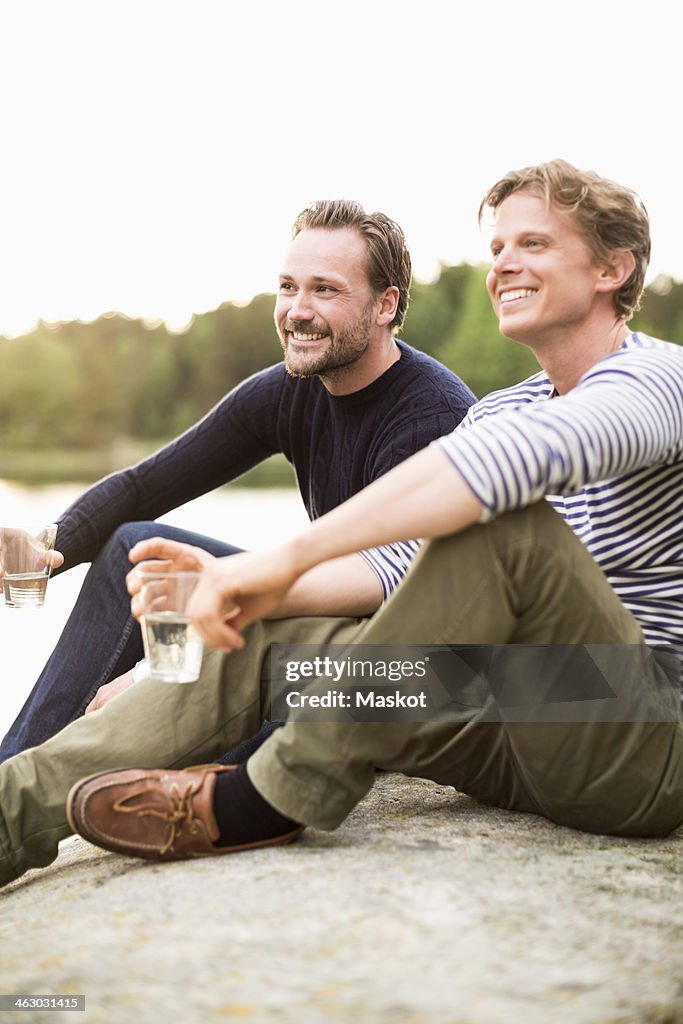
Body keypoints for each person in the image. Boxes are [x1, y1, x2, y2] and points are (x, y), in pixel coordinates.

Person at [2, 158, 683, 889]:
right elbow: (404, 566)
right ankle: (12, 816)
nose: (503, 265)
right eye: (496, 249)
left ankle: (271, 794)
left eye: (533, 245)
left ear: (614, 268)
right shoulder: (500, 409)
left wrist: (279, 562)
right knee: (255, 636)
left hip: (632, 735)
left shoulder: (655, 381)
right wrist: (247, 594)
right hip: (502, 714)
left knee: (497, 523)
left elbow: (503, 471)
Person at [0, 199, 475, 763]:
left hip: (402, 673)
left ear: (384, 305)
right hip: (316, 629)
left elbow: (377, 590)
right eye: (287, 287)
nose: (297, 310)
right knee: (139, 549)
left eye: (325, 289)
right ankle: (14, 777)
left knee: (199, 759)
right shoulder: (290, 391)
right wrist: (51, 543)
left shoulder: (430, 418)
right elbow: (146, 485)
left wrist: (161, 675)